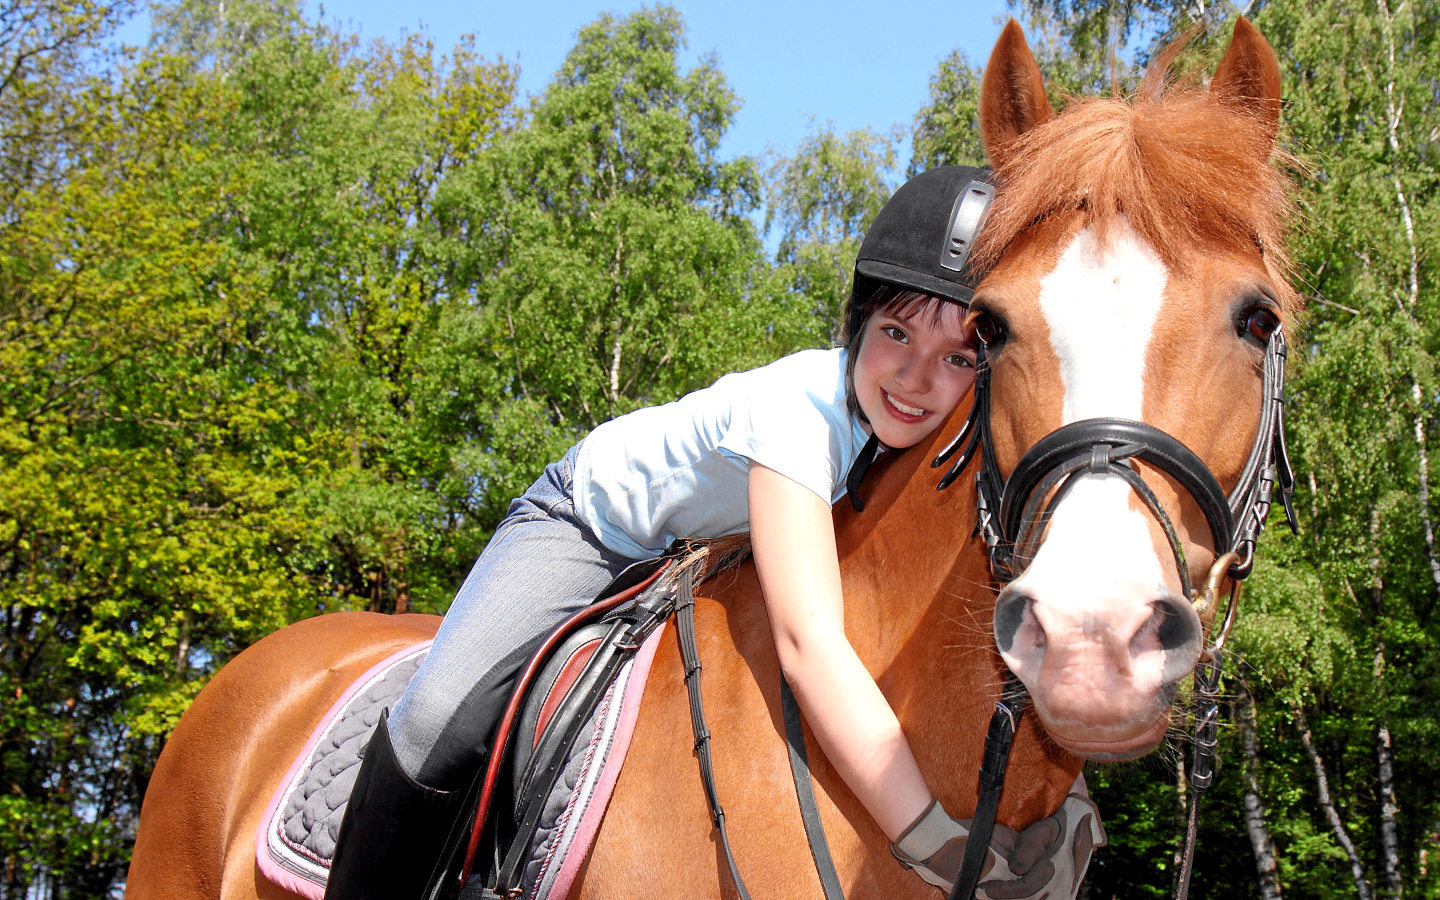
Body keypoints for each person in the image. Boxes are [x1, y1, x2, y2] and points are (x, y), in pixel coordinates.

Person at [325, 166, 1103, 900]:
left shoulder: (940, 442)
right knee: (435, 719)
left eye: (957, 356)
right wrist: (929, 836)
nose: (916, 377)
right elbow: (809, 648)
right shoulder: (796, 416)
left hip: (694, 556)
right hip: (589, 527)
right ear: (861, 316)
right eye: (898, 333)